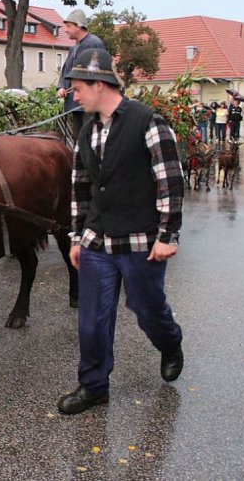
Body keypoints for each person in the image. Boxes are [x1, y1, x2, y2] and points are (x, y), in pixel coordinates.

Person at [57, 48, 184, 415]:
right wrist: (77, 239)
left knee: (147, 309)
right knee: (92, 317)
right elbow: (80, 190)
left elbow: (170, 184)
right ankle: (93, 385)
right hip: (98, 240)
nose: (74, 96)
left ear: (100, 84)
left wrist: (167, 237)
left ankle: (170, 342)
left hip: (141, 240)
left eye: (78, 88)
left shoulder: (148, 123)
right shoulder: (86, 133)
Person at [56, 9, 107, 145]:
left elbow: (96, 73)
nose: (66, 30)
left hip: (89, 103)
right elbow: (66, 70)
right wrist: (61, 87)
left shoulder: (93, 44)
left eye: (69, 26)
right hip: (75, 103)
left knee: (89, 140)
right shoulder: (74, 48)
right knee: (78, 140)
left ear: (79, 26)